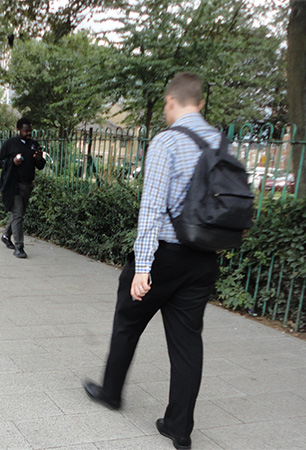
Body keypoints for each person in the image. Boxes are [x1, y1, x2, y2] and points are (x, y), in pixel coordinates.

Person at [83, 72, 221, 450]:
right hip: (204, 260)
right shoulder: (220, 141)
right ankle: (179, 428)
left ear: (172, 101)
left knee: (127, 321)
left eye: (165, 104)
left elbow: (151, 209)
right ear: (201, 103)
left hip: (165, 256)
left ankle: (111, 393)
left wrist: (142, 267)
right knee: (187, 343)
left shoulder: (168, 141)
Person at [0, 118, 46, 258]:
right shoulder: (9, 144)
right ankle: (19, 247)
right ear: (18, 130)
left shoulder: (34, 144)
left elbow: (40, 166)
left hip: (27, 185)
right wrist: (12, 161)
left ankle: (6, 235)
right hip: (14, 184)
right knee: (18, 215)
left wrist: (40, 158)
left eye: (30, 130)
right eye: (25, 131)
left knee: (20, 213)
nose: (29, 133)